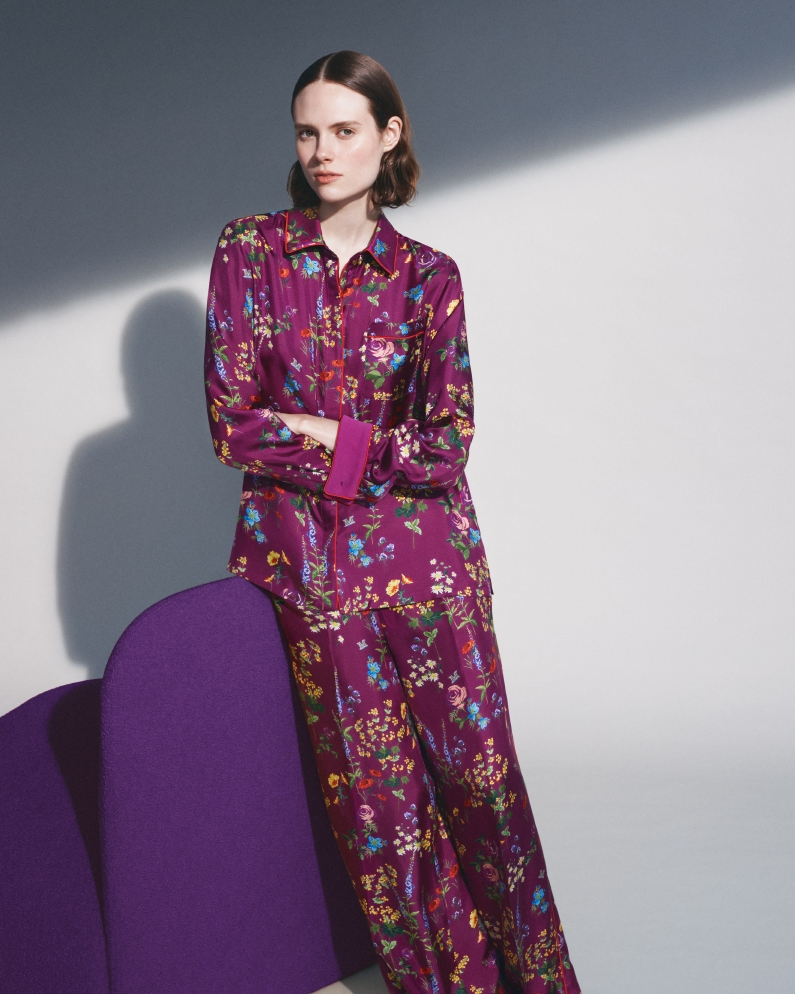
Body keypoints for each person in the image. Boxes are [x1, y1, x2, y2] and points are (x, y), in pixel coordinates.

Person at [203, 50, 581, 994]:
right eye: (307, 132)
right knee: (383, 817)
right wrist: (374, 447)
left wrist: (322, 434)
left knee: (483, 789)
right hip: (314, 576)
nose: (322, 152)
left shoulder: (428, 277)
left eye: (343, 130)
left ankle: (543, 982)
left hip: (431, 568)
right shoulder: (250, 252)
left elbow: (446, 445)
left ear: (388, 134)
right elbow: (232, 425)